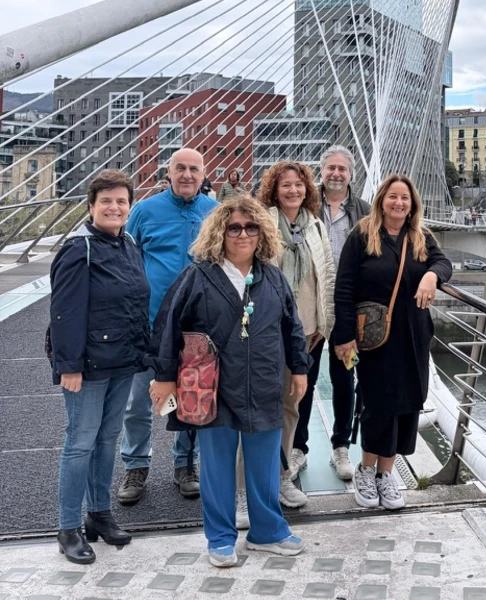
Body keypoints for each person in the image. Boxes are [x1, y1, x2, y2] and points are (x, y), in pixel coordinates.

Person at [149, 196, 310, 567]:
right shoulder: (199, 274)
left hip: (264, 381)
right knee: (217, 466)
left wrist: (299, 368)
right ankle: (220, 538)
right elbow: (169, 326)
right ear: (220, 232)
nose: (242, 234)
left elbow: (292, 327)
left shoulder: (271, 275)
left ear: (261, 232)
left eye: (250, 227)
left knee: (265, 464)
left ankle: (267, 532)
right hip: (213, 386)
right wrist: (164, 377)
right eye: (233, 227)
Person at [333, 174, 452, 510]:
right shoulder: (362, 234)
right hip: (374, 336)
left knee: (407, 403)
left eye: (405, 198)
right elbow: (344, 288)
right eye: (393, 197)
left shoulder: (421, 236)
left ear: (412, 204)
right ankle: (366, 471)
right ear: (381, 200)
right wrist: (344, 336)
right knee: (378, 404)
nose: (399, 203)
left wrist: (432, 275)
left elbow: (443, 263)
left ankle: (387, 474)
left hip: (413, 335)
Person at [49, 170, 150, 564]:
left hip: (123, 362)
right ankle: (68, 527)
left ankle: (99, 514)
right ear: (91, 206)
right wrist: (69, 366)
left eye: (121, 201)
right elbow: (65, 314)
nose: (114, 207)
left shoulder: (129, 245)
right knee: (80, 444)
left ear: (129, 207)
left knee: (107, 440)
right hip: (87, 367)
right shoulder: (80, 249)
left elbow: (136, 304)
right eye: (106, 201)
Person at [118, 148, 217, 505]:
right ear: (169, 173)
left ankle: (184, 465)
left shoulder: (214, 213)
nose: (187, 175)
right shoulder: (144, 211)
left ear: (204, 174)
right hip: (149, 325)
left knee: (191, 399)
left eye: (194, 169)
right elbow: (126, 262)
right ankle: (135, 465)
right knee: (138, 404)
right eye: (180, 168)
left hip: (195, 328)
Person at [290, 146, 371, 483]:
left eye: (342, 169)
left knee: (344, 378)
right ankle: (299, 448)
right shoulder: (306, 206)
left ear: (351, 174)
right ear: (320, 172)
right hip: (311, 305)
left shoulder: (365, 211)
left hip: (348, 309)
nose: (336, 174)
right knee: (302, 377)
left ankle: (340, 447)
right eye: (330, 168)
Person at [257, 161, 335, 509]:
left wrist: (324, 324)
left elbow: (326, 276)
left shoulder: (315, 226)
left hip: (305, 332)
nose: (293, 191)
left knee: (292, 405)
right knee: (260, 405)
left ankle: (281, 476)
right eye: (285, 185)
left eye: (299, 185)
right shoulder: (261, 224)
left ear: (307, 189)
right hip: (266, 332)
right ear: (274, 189)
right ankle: (253, 483)